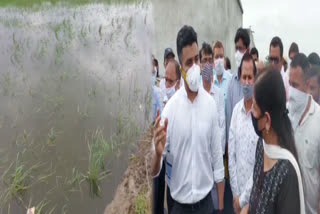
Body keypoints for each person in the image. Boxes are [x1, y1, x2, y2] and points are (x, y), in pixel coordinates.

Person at [152, 25, 225, 214]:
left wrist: (221, 207)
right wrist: (158, 154)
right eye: (188, 62)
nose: (194, 67)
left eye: (197, 60)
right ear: (181, 67)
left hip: (206, 205)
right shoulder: (170, 111)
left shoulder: (210, 105)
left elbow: (217, 158)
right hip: (179, 207)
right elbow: (154, 170)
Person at [241, 68, 304, 214]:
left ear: (267, 120)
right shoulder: (261, 146)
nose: (251, 111)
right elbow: (256, 199)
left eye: (255, 108)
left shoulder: (287, 174)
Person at [288, 53, 320, 214]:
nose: (291, 91)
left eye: (295, 85)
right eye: (289, 84)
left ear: (307, 85)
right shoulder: (285, 116)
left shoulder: (318, 120)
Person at [228, 53, 258, 214]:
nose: (246, 82)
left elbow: (260, 164)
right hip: (237, 201)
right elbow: (231, 156)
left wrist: (244, 199)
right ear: (239, 78)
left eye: (250, 77)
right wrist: (236, 196)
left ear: (255, 79)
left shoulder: (260, 116)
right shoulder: (235, 113)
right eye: (244, 77)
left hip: (255, 201)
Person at [225, 27, 250, 214]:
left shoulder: (259, 107)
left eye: (241, 48)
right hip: (236, 189)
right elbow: (231, 148)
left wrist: (244, 198)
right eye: (236, 48)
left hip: (252, 192)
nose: (238, 52)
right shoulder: (231, 83)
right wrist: (235, 195)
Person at [201, 63, 226, 214]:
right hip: (203, 156)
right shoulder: (197, 94)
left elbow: (221, 125)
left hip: (216, 153)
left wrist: (217, 149)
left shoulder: (218, 94)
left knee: (217, 200)